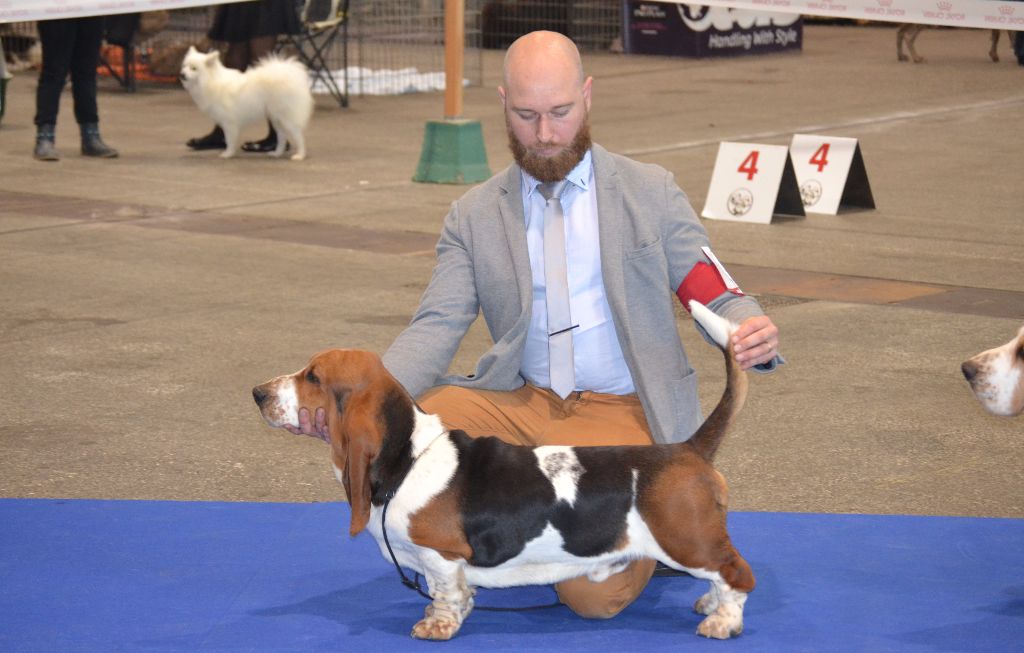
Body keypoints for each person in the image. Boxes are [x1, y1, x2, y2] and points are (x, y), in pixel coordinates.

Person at [290, 30, 781, 619]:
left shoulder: (650, 192)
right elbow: (436, 324)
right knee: (394, 433)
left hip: (622, 411)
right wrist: (359, 403)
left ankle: (663, 528)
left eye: (560, 113)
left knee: (594, 598)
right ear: (502, 104)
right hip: (519, 402)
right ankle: (466, 550)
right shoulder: (473, 215)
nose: (545, 134)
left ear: (588, 97)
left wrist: (746, 324)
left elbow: (709, 283)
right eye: (526, 116)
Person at [186, 0, 300, 152]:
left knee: (262, 64)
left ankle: (277, 136)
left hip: (265, 5)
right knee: (234, 60)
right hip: (241, 5)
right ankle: (222, 132)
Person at [33, 16, 118, 161]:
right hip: (57, 12)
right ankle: (45, 137)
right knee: (53, 72)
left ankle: (91, 136)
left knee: (86, 73)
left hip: (91, 10)